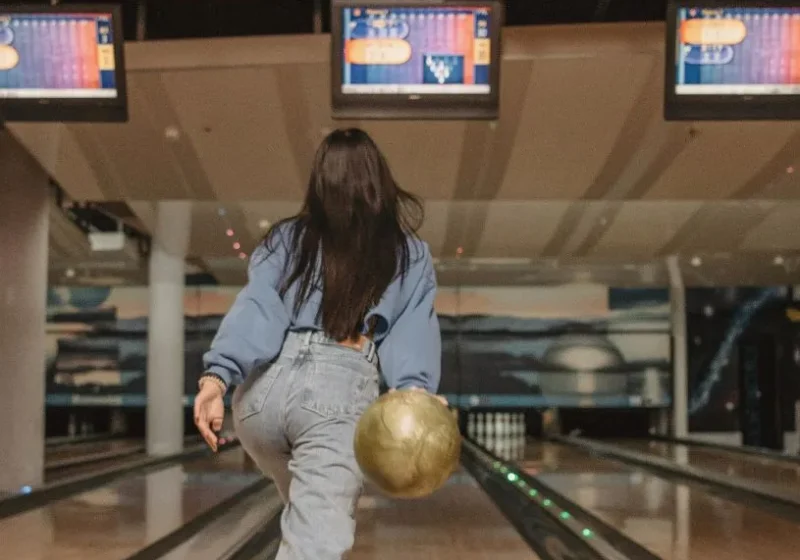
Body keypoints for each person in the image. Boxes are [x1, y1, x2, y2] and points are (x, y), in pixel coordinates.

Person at [193, 128, 443, 559]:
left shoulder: (285, 239)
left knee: (306, 518)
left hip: (258, 400)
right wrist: (416, 390)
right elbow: (411, 332)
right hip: (334, 397)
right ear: (378, 180)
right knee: (316, 546)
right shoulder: (407, 253)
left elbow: (258, 308)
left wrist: (216, 378)